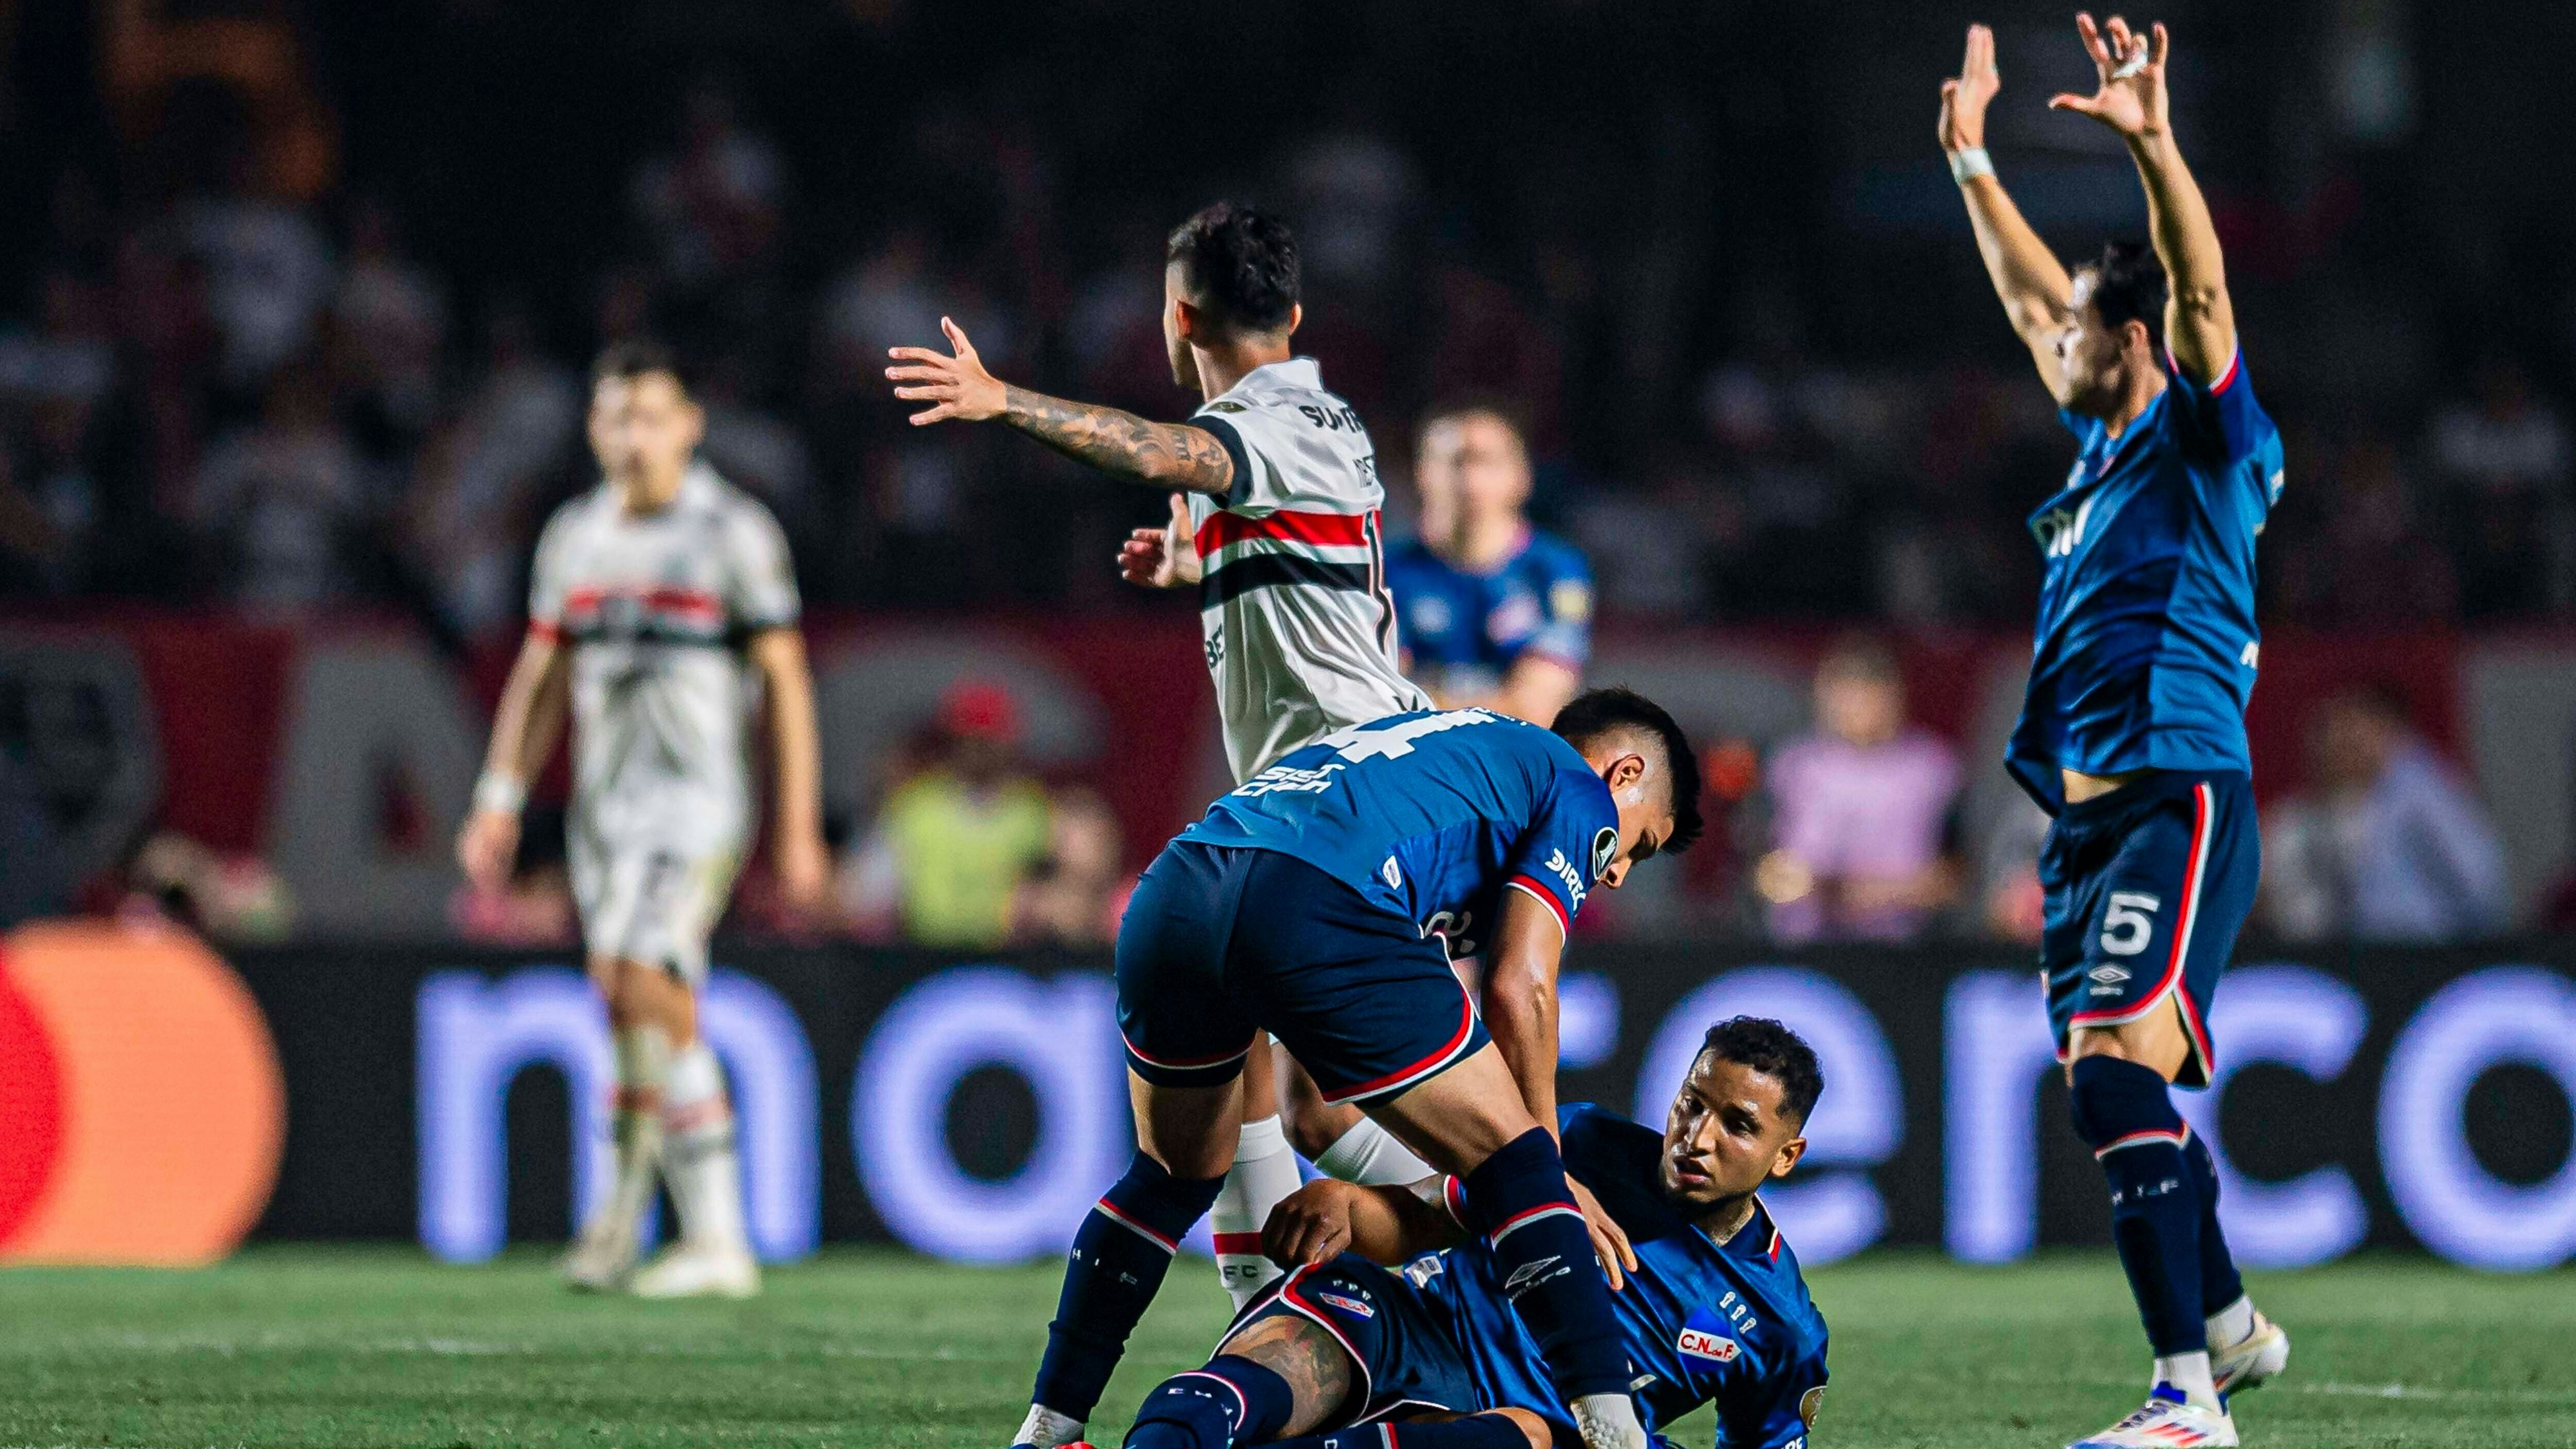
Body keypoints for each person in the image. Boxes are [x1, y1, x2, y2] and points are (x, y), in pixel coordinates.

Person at [886, 204, 1439, 1320]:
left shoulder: (1266, 422)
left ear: (1177, 314)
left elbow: (1163, 450)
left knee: (1289, 1089)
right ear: (1292, 310)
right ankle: (1316, 1299)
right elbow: (1296, 558)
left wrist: (1004, 401)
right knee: (1289, 1097)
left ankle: (1527, 1233)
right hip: (1334, 798)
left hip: (1352, 800)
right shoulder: (1316, 419)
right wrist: (1200, 570)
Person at [1013, 692, 1704, 1449]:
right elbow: (1521, 983)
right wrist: (1545, 1159)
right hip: (1316, 900)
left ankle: (1050, 1430)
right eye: (1640, 844)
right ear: (1624, 773)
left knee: (1170, 1176)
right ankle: (1612, 1432)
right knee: (1519, 1164)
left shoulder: (1450, 748)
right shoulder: (1575, 787)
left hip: (1179, 887)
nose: (1618, 872)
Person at [1942, 17, 2289, 1446]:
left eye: (2076, 329)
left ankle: (2184, 1403)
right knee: (2103, 1088)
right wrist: (1968, 159)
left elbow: (2198, 287)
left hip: (2174, 793)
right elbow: (2034, 300)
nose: (2046, 339)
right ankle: (2225, 1323)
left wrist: (2150, 144)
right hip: (2085, 826)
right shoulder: (2096, 447)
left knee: (2107, 1071)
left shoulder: (2205, 440)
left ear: (2131, 341)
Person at [455, 339, 829, 1300]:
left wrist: (796, 828)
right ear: (592, 428)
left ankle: (668, 1225)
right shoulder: (575, 535)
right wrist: (501, 792)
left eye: (652, 417)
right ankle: (666, 1225)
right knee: (628, 1002)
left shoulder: (731, 533)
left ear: (690, 426)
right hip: (604, 815)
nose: (634, 436)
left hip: (697, 805)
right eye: (617, 417)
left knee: (644, 971)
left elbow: (785, 680)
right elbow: (542, 674)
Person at [1119, 1017, 1829, 1449]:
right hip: (1408, 1326)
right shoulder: (1581, 1140)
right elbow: (1427, 1216)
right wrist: (1349, 1209)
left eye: (1737, 1126)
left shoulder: (1780, 1325)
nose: (1696, 1139)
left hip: (1525, 1428)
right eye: (1690, 1105)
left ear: (1785, 1156)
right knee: (1211, 1404)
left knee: (1519, 1436)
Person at [1386, 404, 1591, 724]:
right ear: (1422, 472)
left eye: (1487, 462)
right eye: (1455, 462)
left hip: (1512, 768)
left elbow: (1536, 709)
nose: (1471, 480)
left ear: (1522, 477)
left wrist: (1424, 700)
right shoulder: (1384, 572)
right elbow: (1377, 702)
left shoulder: (1555, 571)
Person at [2259, 687, 2507, 942]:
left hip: (2424, 950)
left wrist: (2470, 945)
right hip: (2366, 951)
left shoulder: (2421, 790)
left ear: (2385, 729)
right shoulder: (2331, 809)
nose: (2339, 748)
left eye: (2352, 733)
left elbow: (2478, 880)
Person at [1757, 638, 1962, 942]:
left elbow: (1955, 879)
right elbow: (1762, 872)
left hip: (1904, 948)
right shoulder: (1791, 766)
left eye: (1870, 694)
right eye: (1846, 694)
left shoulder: (1935, 769)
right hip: (1803, 946)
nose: (1858, 708)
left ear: (1894, 697)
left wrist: (1863, 893)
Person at [840, 679, 1054, 949]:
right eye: (971, 739)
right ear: (953, 740)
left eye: (989, 740)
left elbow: (1053, 896)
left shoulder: (1032, 811)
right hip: (925, 957)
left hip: (1008, 959)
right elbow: (866, 893)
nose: (980, 750)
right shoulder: (916, 805)